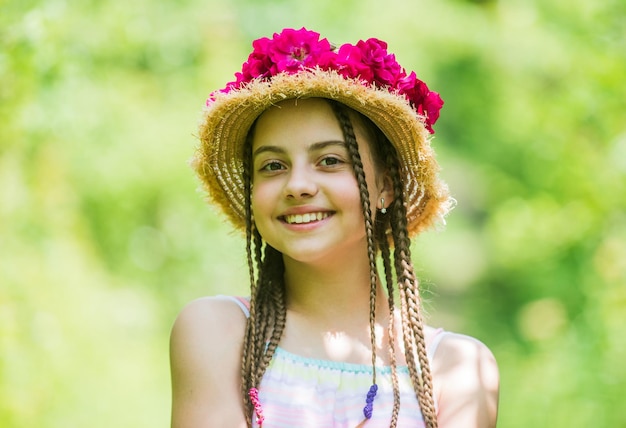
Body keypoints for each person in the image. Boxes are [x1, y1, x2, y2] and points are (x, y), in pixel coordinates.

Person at [170, 27, 499, 428]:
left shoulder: (457, 368)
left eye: (330, 160)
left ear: (387, 187)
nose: (298, 186)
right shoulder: (216, 331)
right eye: (273, 166)